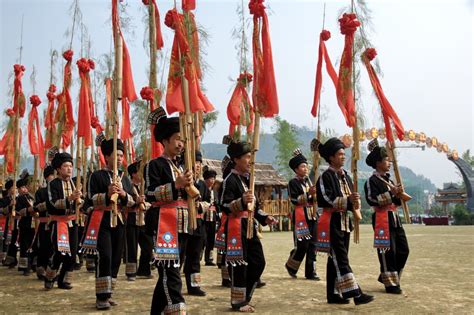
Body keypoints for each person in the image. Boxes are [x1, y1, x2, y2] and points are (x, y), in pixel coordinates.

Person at [221, 140, 278, 313]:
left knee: (258, 262)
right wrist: (240, 202)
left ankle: (245, 296)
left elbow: (255, 207)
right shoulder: (229, 180)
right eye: (247, 157)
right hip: (236, 226)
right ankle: (238, 302)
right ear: (236, 159)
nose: (250, 161)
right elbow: (223, 205)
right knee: (239, 264)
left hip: (249, 225)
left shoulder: (247, 180)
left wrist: (264, 217)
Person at [316, 137, 374, 305]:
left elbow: (351, 200)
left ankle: (333, 294)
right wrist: (348, 201)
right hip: (331, 221)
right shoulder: (324, 177)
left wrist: (354, 201)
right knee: (340, 258)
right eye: (339, 154)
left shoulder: (346, 176)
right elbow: (326, 199)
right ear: (331, 157)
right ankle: (356, 294)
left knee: (336, 258)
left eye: (344, 154)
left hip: (344, 222)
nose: (343, 156)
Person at [145, 108, 191, 314]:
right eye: (177, 139)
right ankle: (177, 310)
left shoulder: (182, 167)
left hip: (182, 225)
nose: (181, 144)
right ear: (165, 141)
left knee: (170, 272)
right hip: (164, 224)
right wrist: (176, 185)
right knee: (171, 274)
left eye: (182, 140)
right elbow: (149, 194)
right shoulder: (154, 165)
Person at [83, 136, 135, 309]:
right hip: (102, 221)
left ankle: (109, 291)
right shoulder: (96, 176)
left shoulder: (124, 178)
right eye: (116, 154)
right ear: (107, 156)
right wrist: (107, 194)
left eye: (121, 155)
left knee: (116, 258)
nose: (120, 158)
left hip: (119, 220)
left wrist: (122, 195)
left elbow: (131, 201)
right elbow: (90, 200)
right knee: (104, 256)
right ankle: (101, 296)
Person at [364, 139, 409, 294]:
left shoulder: (389, 179)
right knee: (387, 251)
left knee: (403, 250)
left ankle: (389, 276)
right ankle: (391, 284)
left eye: (389, 160)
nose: (389, 162)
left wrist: (399, 194)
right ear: (378, 163)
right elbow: (372, 199)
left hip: (394, 217)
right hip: (381, 217)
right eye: (386, 160)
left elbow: (396, 201)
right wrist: (391, 193)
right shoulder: (372, 181)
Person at [45, 153, 82, 289]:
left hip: (72, 223)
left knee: (71, 255)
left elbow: (79, 204)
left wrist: (80, 201)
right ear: (59, 169)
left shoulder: (74, 183)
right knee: (60, 253)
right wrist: (70, 199)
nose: (69, 169)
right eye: (66, 166)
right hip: (58, 222)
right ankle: (49, 277)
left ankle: (63, 281)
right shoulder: (53, 184)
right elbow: (52, 203)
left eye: (71, 166)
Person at [285, 149, 320, 280]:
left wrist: (316, 195)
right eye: (303, 166)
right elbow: (294, 200)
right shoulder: (292, 183)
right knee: (302, 245)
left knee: (313, 245)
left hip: (313, 215)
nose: (306, 168)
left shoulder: (309, 181)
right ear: (296, 169)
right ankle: (291, 265)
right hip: (301, 215)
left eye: (306, 166)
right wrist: (309, 194)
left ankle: (311, 272)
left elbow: (314, 199)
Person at [182, 150, 208, 296]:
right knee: (181, 253)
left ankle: (194, 285)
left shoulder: (202, 184)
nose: (197, 166)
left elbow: (208, 203)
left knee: (195, 254)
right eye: (194, 163)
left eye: (199, 163)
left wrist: (199, 205)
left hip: (198, 222)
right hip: (184, 221)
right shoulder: (184, 181)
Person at [124, 160, 153, 281]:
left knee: (148, 245)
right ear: (134, 174)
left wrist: (144, 203)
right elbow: (125, 201)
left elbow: (151, 201)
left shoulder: (144, 187)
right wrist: (137, 201)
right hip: (131, 218)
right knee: (132, 246)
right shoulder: (127, 185)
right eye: (139, 172)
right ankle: (131, 272)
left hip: (143, 220)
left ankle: (143, 270)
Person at [33, 165, 55, 280]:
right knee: (44, 246)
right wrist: (49, 205)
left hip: (57, 223)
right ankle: (41, 267)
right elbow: (36, 207)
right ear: (47, 177)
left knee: (55, 247)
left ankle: (52, 270)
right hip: (45, 223)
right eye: (52, 175)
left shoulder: (60, 190)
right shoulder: (41, 192)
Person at [15, 170, 36, 276]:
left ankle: (32, 264)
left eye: (25, 187)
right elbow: (19, 211)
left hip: (33, 224)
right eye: (22, 188)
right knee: (25, 245)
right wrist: (29, 210)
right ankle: (25, 267)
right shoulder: (19, 199)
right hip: (25, 224)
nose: (24, 189)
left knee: (32, 245)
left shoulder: (31, 197)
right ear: (18, 189)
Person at [202, 168, 218, 266]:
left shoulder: (214, 191)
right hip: (204, 217)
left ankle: (209, 258)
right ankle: (199, 256)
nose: (212, 181)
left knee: (211, 239)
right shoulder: (202, 189)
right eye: (210, 179)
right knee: (203, 238)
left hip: (213, 217)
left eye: (213, 178)